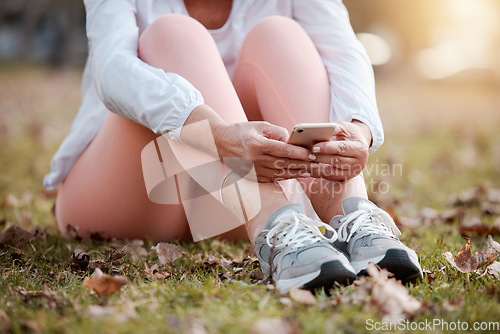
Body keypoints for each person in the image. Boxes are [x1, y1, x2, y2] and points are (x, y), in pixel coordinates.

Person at [44, 0, 423, 292]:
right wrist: (219, 136)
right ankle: (276, 224)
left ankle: (352, 216)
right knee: (173, 34)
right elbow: (112, 71)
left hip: (228, 211)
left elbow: (344, 50)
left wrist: (358, 130)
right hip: (135, 196)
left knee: (280, 34)